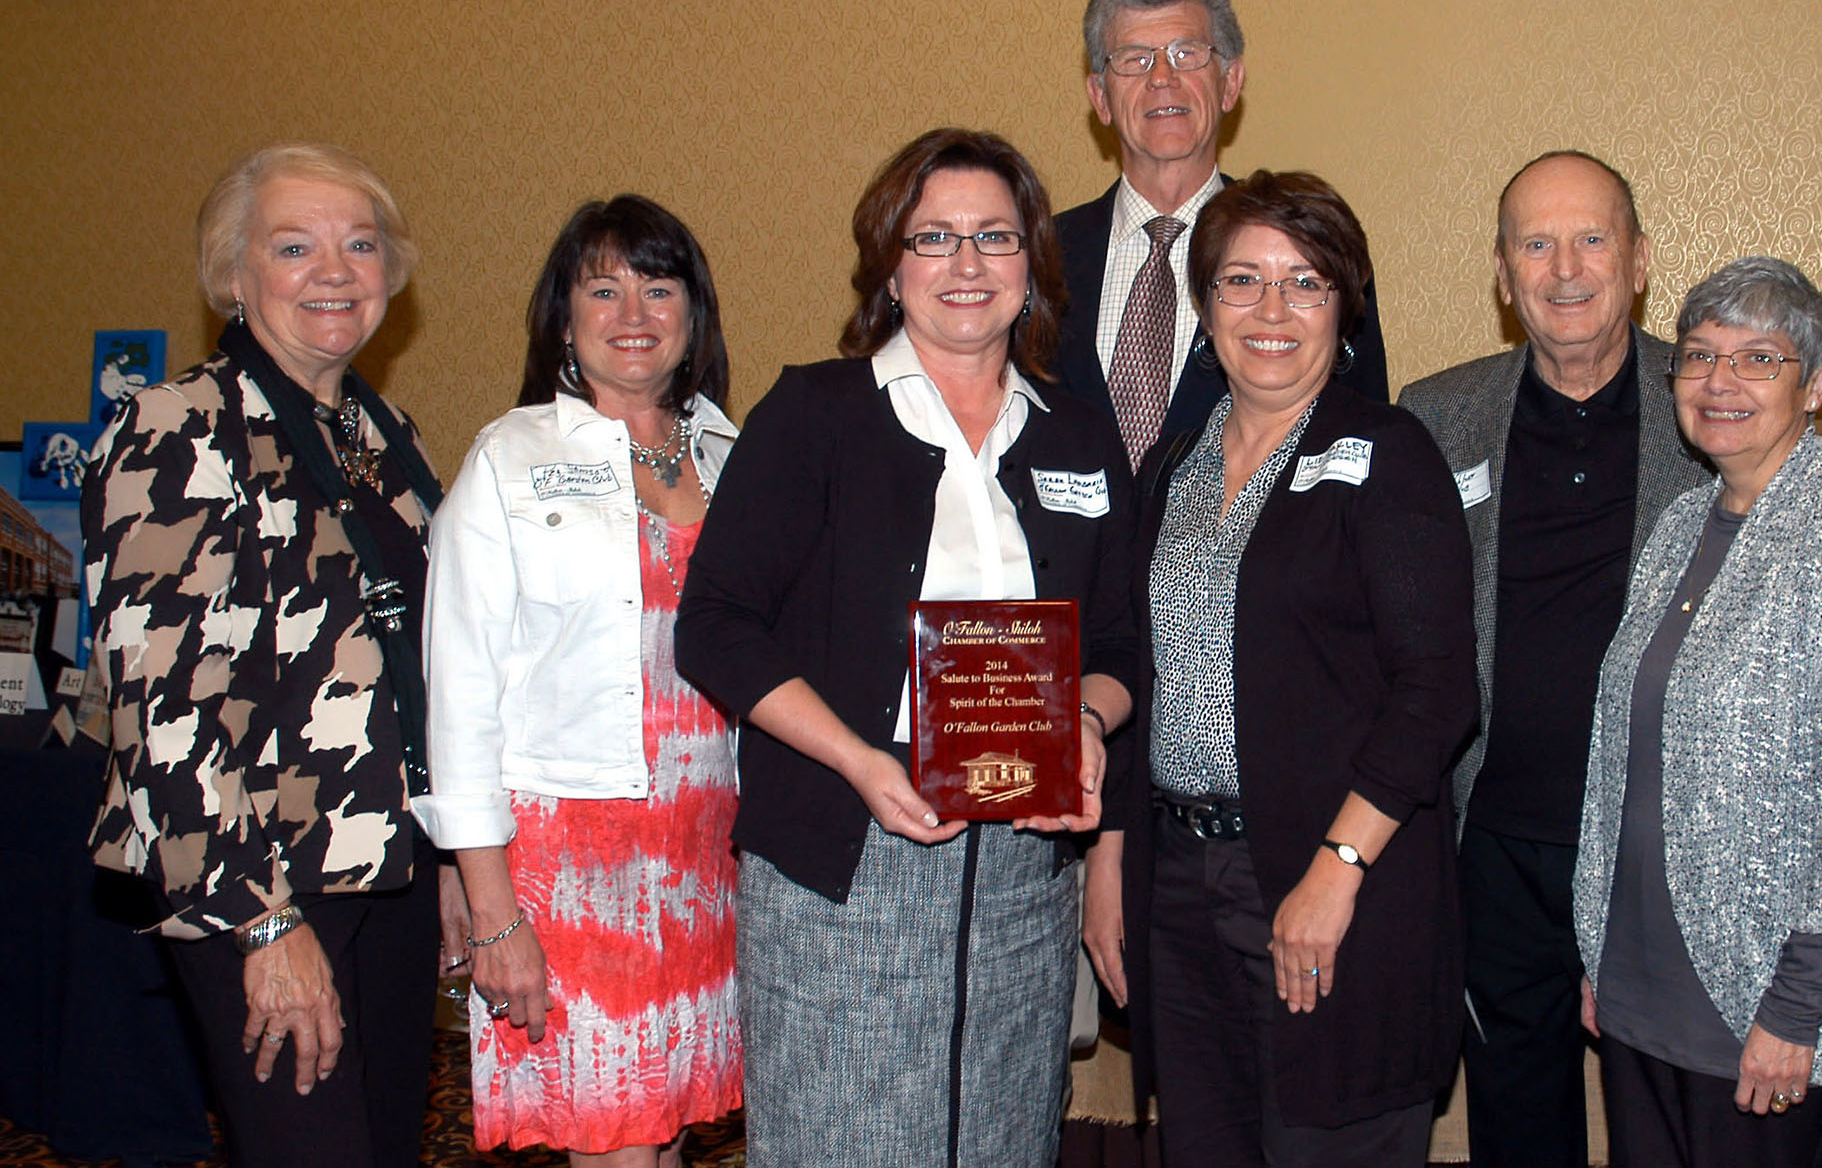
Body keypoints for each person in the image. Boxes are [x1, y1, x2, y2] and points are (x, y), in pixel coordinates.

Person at [676, 128, 1144, 1168]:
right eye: (934, 238)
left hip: (1023, 877)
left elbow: (1120, 642)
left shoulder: (1075, 431)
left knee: (998, 1142)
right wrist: (855, 757)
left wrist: (1084, 716)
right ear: (892, 265)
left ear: (1030, 267)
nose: (965, 265)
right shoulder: (814, 414)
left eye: (993, 237)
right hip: (844, 864)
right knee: (843, 1140)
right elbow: (712, 622)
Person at [1093, 170, 1477, 1165]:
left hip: (1330, 888)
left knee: (1326, 1138)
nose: (1270, 312)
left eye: (1303, 283)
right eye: (1239, 281)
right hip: (1174, 881)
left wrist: (1334, 870)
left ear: (1343, 308)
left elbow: (1435, 693)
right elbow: (1134, 662)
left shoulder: (1386, 454)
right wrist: (1107, 856)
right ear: (1204, 304)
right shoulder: (1170, 465)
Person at [82, 143, 444, 1167]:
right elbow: (163, 709)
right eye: (294, 246)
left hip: (392, 867)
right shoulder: (176, 429)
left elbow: (411, 659)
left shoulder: (380, 433)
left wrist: (456, 856)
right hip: (265, 878)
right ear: (234, 278)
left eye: (359, 245)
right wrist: (258, 921)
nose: (335, 270)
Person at [1573, 256, 1822, 1166]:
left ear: (1816, 385)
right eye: (1699, 355)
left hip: (1761, 1005)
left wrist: (1797, 1005)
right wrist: (1600, 949)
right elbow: (1625, 757)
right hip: (1642, 986)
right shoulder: (1679, 524)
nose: (1721, 382)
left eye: (1759, 358)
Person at [1397, 150, 1711, 1166]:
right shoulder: (1436, 416)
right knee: (1516, 1120)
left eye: (1590, 239)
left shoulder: (1714, 408)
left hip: (1656, 848)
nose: (1563, 268)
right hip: (1491, 843)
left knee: (1668, 1121)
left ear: (1638, 261)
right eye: (1535, 242)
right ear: (1500, 271)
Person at [414, 195, 742, 1166]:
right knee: (614, 1143)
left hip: (704, 856)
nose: (631, 310)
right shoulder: (509, 459)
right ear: (563, 316)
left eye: (657, 284)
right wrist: (490, 907)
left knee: (667, 1131)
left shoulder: (732, 457)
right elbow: (459, 696)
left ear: (692, 313)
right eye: (602, 287)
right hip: (568, 865)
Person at [1054, 0, 1389, 475]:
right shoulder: (1034, 259)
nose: (1162, 77)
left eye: (1187, 54)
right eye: (1135, 58)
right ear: (1099, 97)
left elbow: (1362, 445)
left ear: (1230, 83)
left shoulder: (1312, 251)